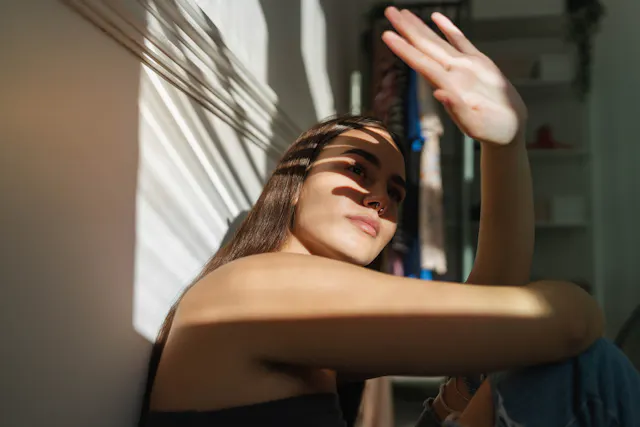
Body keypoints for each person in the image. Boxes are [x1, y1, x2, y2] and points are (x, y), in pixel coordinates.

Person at [138, 7, 639, 427]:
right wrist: (562, 309)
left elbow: (494, 304)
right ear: (293, 187)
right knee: (583, 372)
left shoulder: (302, 325)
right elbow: (569, 323)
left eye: (395, 192)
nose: (379, 199)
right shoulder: (251, 287)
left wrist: (504, 142)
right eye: (358, 169)